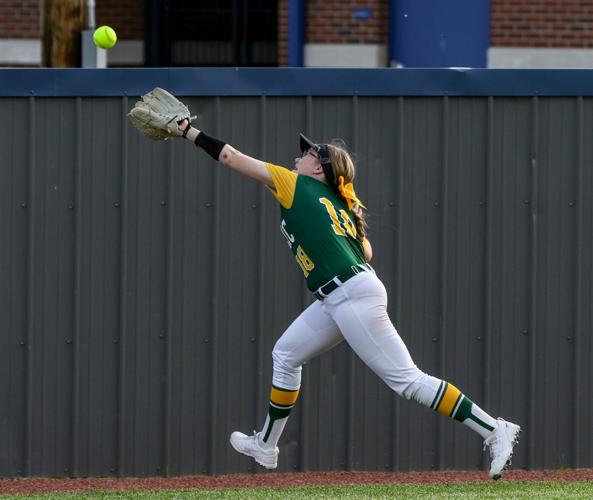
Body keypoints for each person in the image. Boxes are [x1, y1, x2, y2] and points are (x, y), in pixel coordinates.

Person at [175, 118, 521, 480]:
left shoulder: (295, 184)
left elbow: (230, 156)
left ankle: (494, 429)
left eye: (309, 153)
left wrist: (188, 132)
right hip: (339, 295)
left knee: (407, 380)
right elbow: (366, 251)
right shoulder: (338, 204)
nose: (301, 155)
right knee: (286, 355)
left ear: (320, 170)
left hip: (350, 294)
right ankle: (266, 445)